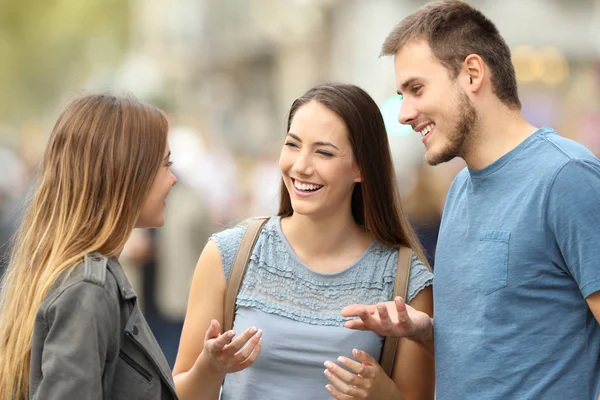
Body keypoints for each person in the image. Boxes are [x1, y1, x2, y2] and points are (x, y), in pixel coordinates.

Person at [341, 1, 600, 399]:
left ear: (473, 73)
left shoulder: (567, 176)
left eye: (417, 89)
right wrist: (425, 330)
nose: (404, 113)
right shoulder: (461, 188)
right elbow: (500, 342)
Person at [172, 83, 435, 400]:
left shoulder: (406, 280)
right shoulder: (227, 254)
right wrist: (210, 367)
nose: (300, 166)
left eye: (323, 152)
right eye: (293, 145)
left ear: (362, 167)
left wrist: (384, 395)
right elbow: (179, 392)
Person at [0, 94, 179, 399]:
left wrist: (208, 366)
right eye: (165, 164)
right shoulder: (88, 288)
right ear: (126, 172)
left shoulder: (74, 274)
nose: (173, 179)